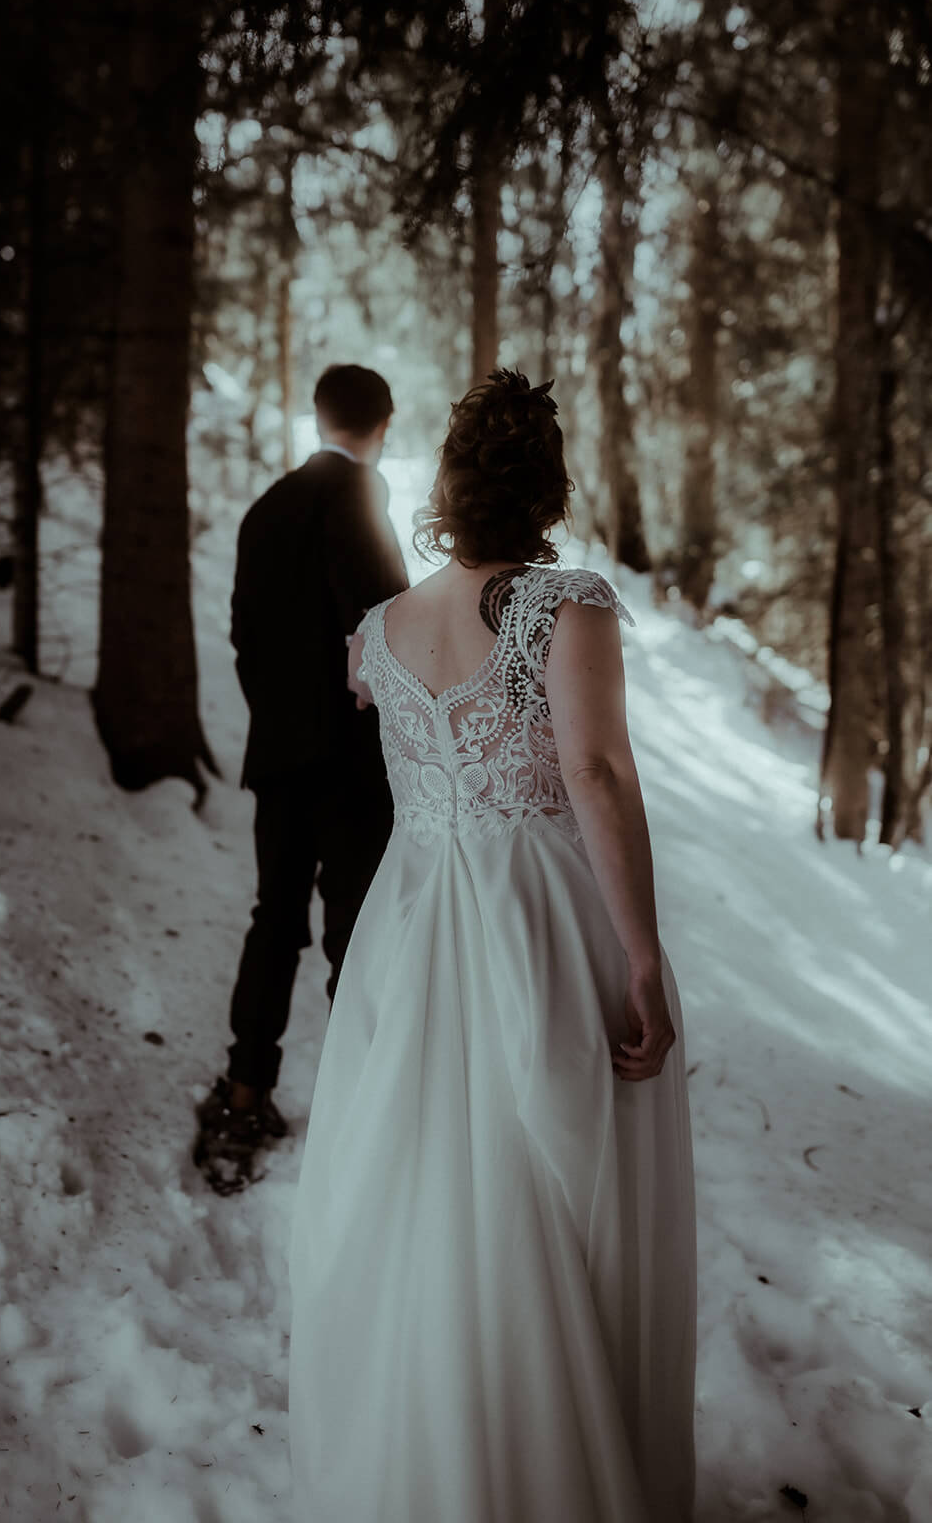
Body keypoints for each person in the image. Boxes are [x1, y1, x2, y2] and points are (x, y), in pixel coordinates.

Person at [288, 368, 697, 1521]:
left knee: (424, 1186)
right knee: (541, 1187)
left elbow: (397, 722)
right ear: (545, 489)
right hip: (532, 918)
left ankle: (429, 1463)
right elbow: (595, 772)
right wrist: (642, 957)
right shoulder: (564, 606)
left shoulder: (378, 632)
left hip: (411, 925)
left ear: (448, 487)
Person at [194, 364, 408, 1195]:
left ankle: (245, 1091)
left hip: (279, 755)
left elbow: (244, 635)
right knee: (354, 937)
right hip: (353, 762)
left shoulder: (265, 508)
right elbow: (383, 622)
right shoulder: (362, 499)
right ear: (382, 423)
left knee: (272, 920)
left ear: (317, 416)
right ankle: (364, 1115)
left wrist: (278, 718)